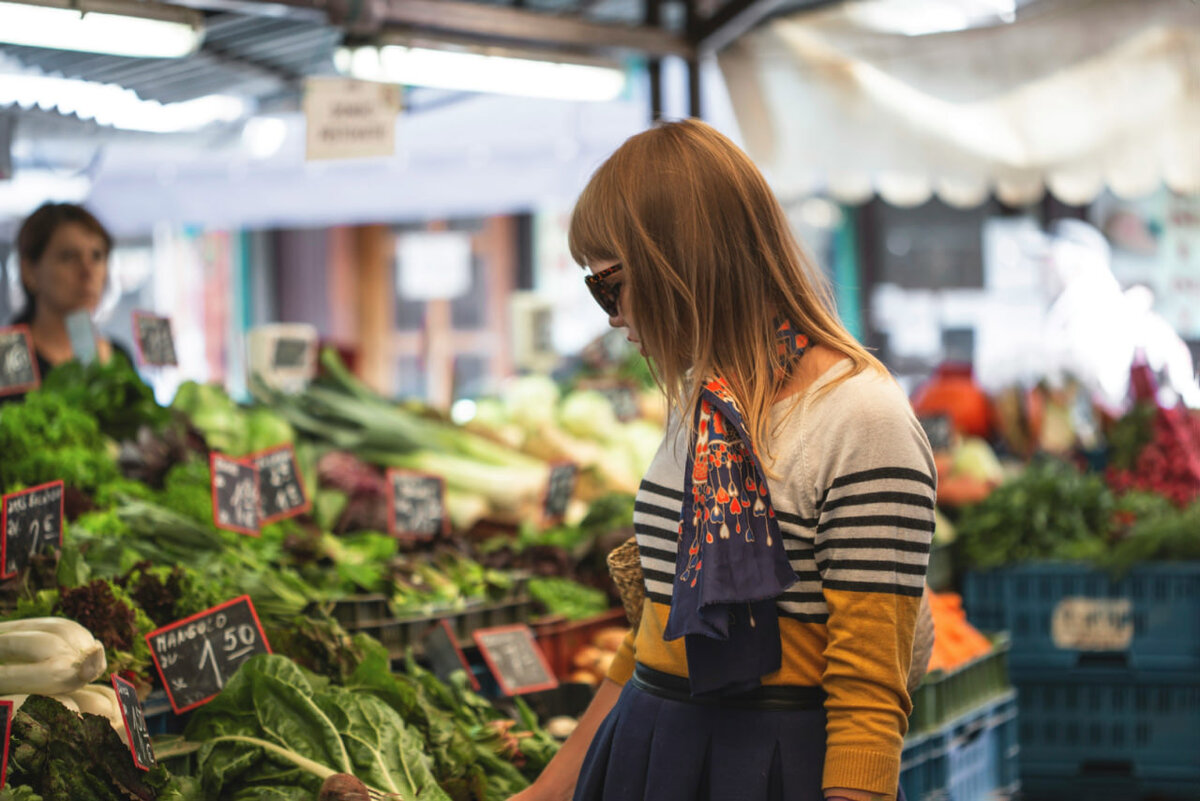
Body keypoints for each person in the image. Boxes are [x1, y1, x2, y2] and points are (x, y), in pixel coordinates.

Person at [513, 120, 935, 801]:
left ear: (680, 264)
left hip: (770, 764)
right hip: (646, 747)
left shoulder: (862, 418)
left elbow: (868, 693)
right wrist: (546, 791)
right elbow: (654, 631)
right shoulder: (705, 405)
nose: (612, 316)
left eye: (609, 284)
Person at [4, 202, 131, 399]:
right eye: (69, 257)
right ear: (29, 271)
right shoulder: (7, 356)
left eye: (97, 256)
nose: (87, 271)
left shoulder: (119, 358)